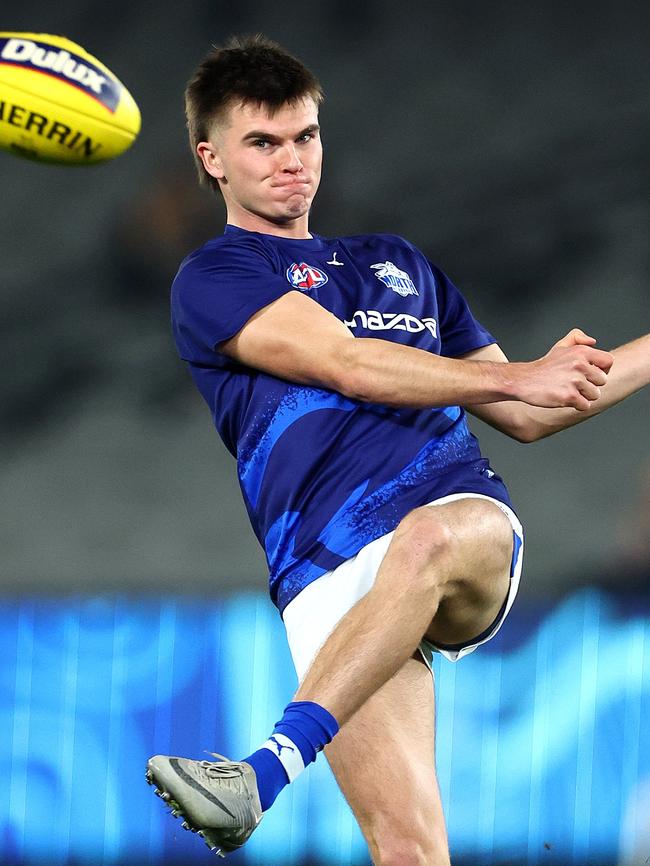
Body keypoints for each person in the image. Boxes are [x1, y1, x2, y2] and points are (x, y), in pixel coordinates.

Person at [146, 35, 649, 864]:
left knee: (430, 537)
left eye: (304, 137)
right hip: (323, 575)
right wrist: (521, 376)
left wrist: (540, 376)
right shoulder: (215, 277)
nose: (290, 161)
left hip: (456, 522)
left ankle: (261, 777)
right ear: (213, 158)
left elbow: (533, 411)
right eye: (262, 144)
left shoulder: (398, 263)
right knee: (408, 847)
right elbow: (346, 361)